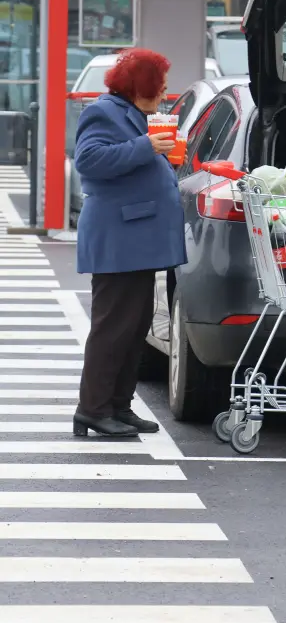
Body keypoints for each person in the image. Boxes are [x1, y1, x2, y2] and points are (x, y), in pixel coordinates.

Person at [73, 48, 187, 438]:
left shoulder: (134, 114)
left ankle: (119, 406)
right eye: (161, 86)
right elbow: (88, 160)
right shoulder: (103, 112)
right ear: (141, 85)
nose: (165, 93)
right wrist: (147, 147)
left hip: (137, 239)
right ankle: (92, 409)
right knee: (113, 328)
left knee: (135, 326)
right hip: (118, 238)